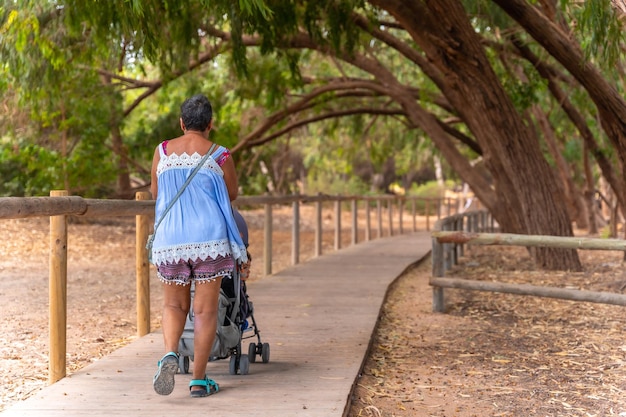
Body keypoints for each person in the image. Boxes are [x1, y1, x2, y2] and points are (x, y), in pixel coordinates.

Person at [149, 94, 247, 398]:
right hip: (209, 239)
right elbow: (231, 193)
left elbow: (156, 191)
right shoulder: (220, 154)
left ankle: (169, 354)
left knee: (173, 305)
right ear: (210, 124)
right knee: (205, 312)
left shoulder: (163, 151)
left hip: (171, 240)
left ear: (181, 123)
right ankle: (199, 380)